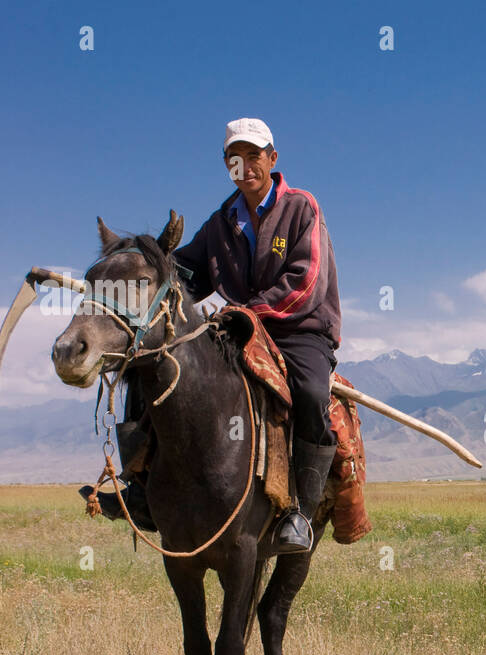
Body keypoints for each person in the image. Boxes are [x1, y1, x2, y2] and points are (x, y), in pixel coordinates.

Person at [89, 118, 342, 554]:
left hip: (297, 329)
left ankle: (299, 512)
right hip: (236, 330)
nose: (245, 166)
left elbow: (307, 280)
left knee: (312, 392)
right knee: (151, 365)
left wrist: (249, 310)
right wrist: (140, 270)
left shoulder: (302, 208)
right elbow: (183, 273)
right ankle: (141, 488)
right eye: (234, 158)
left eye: (254, 155)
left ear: (272, 158)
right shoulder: (220, 223)